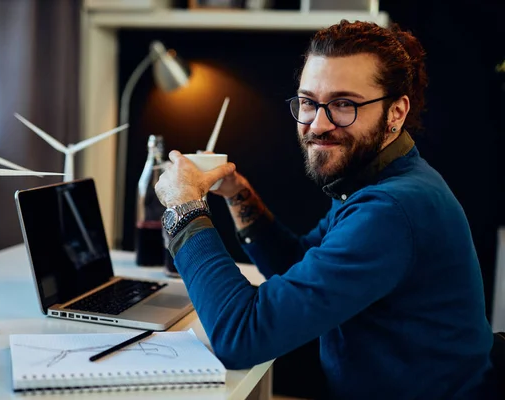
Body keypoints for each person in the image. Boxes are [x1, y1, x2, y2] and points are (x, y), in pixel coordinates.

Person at [154, 20, 497, 399]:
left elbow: (240, 336)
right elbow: (295, 264)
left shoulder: (391, 209)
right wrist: (238, 194)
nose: (318, 124)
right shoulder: (381, 181)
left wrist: (184, 208)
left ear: (396, 112)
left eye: (343, 104)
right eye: (308, 102)